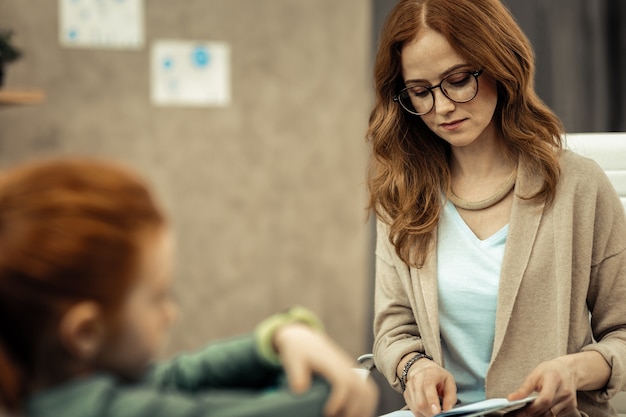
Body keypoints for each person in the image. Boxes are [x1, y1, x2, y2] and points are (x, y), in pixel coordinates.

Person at [366, 0, 626, 416]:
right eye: (420, 92)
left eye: (457, 80)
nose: (443, 107)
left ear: (500, 64)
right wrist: (413, 367)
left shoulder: (579, 185)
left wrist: (574, 371)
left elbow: (623, 333)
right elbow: (393, 328)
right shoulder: (402, 195)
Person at [0, 157, 378, 417]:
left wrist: (281, 337)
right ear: (85, 333)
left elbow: (177, 377)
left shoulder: (53, 392)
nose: (170, 313)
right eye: (158, 297)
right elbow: (318, 407)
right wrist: (329, 389)